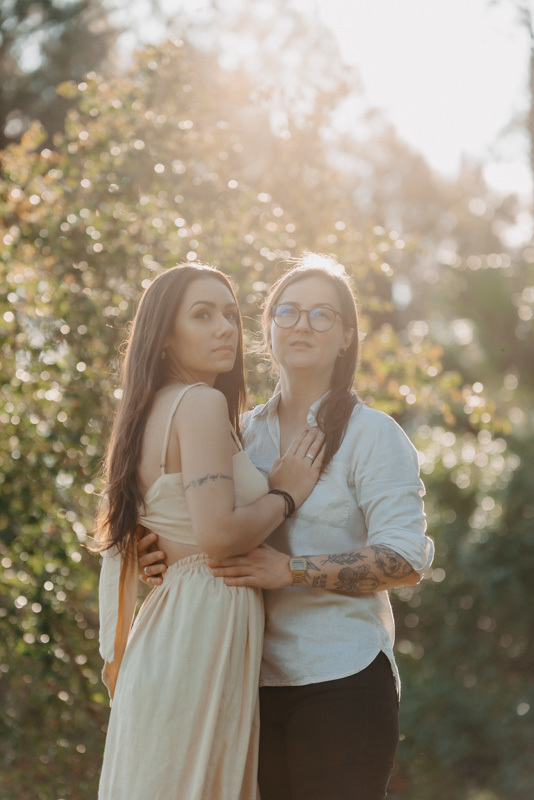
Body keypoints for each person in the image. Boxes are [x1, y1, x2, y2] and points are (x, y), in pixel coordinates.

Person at [139, 252, 435, 800]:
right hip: (242, 677)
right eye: (288, 311)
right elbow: (202, 524)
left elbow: (405, 559)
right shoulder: (237, 432)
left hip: (340, 679)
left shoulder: (373, 435)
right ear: (268, 326)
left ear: (347, 336)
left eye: (322, 315)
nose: (303, 324)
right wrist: (155, 552)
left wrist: (290, 570)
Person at [95, 262, 324, 800]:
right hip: (199, 629)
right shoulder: (199, 402)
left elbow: (167, 524)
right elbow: (219, 536)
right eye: (202, 315)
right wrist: (285, 493)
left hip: (178, 623)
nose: (225, 327)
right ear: (165, 336)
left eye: (230, 314)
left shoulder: (149, 410)